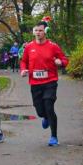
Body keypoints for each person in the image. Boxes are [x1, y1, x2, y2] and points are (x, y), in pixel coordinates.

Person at [19, 18, 69, 146]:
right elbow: (24, 61)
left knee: (49, 106)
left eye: (40, 30)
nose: (38, 33)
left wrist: (61, 62)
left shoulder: (53, 46)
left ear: (45, 31)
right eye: (36, 30)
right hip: (35, 83)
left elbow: (64, 59)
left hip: (50, 82)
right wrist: (24, 69)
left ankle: (54, 137)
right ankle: (45, 117)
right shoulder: (29, 47)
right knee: (40, 110)